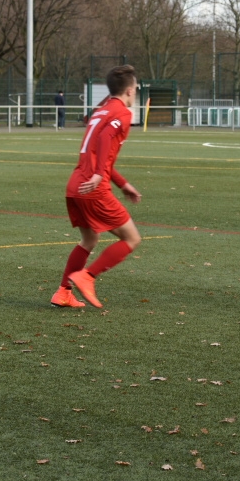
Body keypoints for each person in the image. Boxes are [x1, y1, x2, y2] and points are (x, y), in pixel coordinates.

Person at [52, 65, 143, 309]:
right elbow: (104, 139)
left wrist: (122, 184)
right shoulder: (122, 113)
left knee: (89, 239)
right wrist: (99, 174)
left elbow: (99, 153)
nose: (135, 93)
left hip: (76, 185)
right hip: (93, 188)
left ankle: (63, 292)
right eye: (135, 89)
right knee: (132, 238)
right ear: (129, 90)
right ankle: (88, 276)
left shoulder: (100, 111)